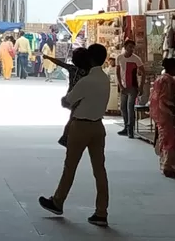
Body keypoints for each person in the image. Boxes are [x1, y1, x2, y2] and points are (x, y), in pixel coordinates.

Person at [38, 42, 111, 226]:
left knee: (70, 167)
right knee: (99, 170)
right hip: (98, 127)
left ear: (91, 58)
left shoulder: (86, 81)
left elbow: (68, 101)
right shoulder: (105, 79)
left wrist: (65, 100)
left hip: (80, 127)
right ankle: (101, 211)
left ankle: (58, 201)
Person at [151, 57, 175, 176]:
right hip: (167, 114)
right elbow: (165, 99)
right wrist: (174, 111)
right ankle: (169, 167)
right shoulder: (169, 81)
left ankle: (165, 164)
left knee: (165, 139)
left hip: (160, 114)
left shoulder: (159, 79)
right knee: (171, 141)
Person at [115, 39, 143, 137]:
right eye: (130, 47)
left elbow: (143, 72)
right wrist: (120, 85)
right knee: (123, 107)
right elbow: (117, 72)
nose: (131, 49)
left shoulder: (136, 59)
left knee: (130, 107)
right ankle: (126, 126)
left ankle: (130, 129)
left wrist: (141, 86)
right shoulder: (119, 58)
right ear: (125, 47)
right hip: (123, 86)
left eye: (132, 47)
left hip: (133, 86)